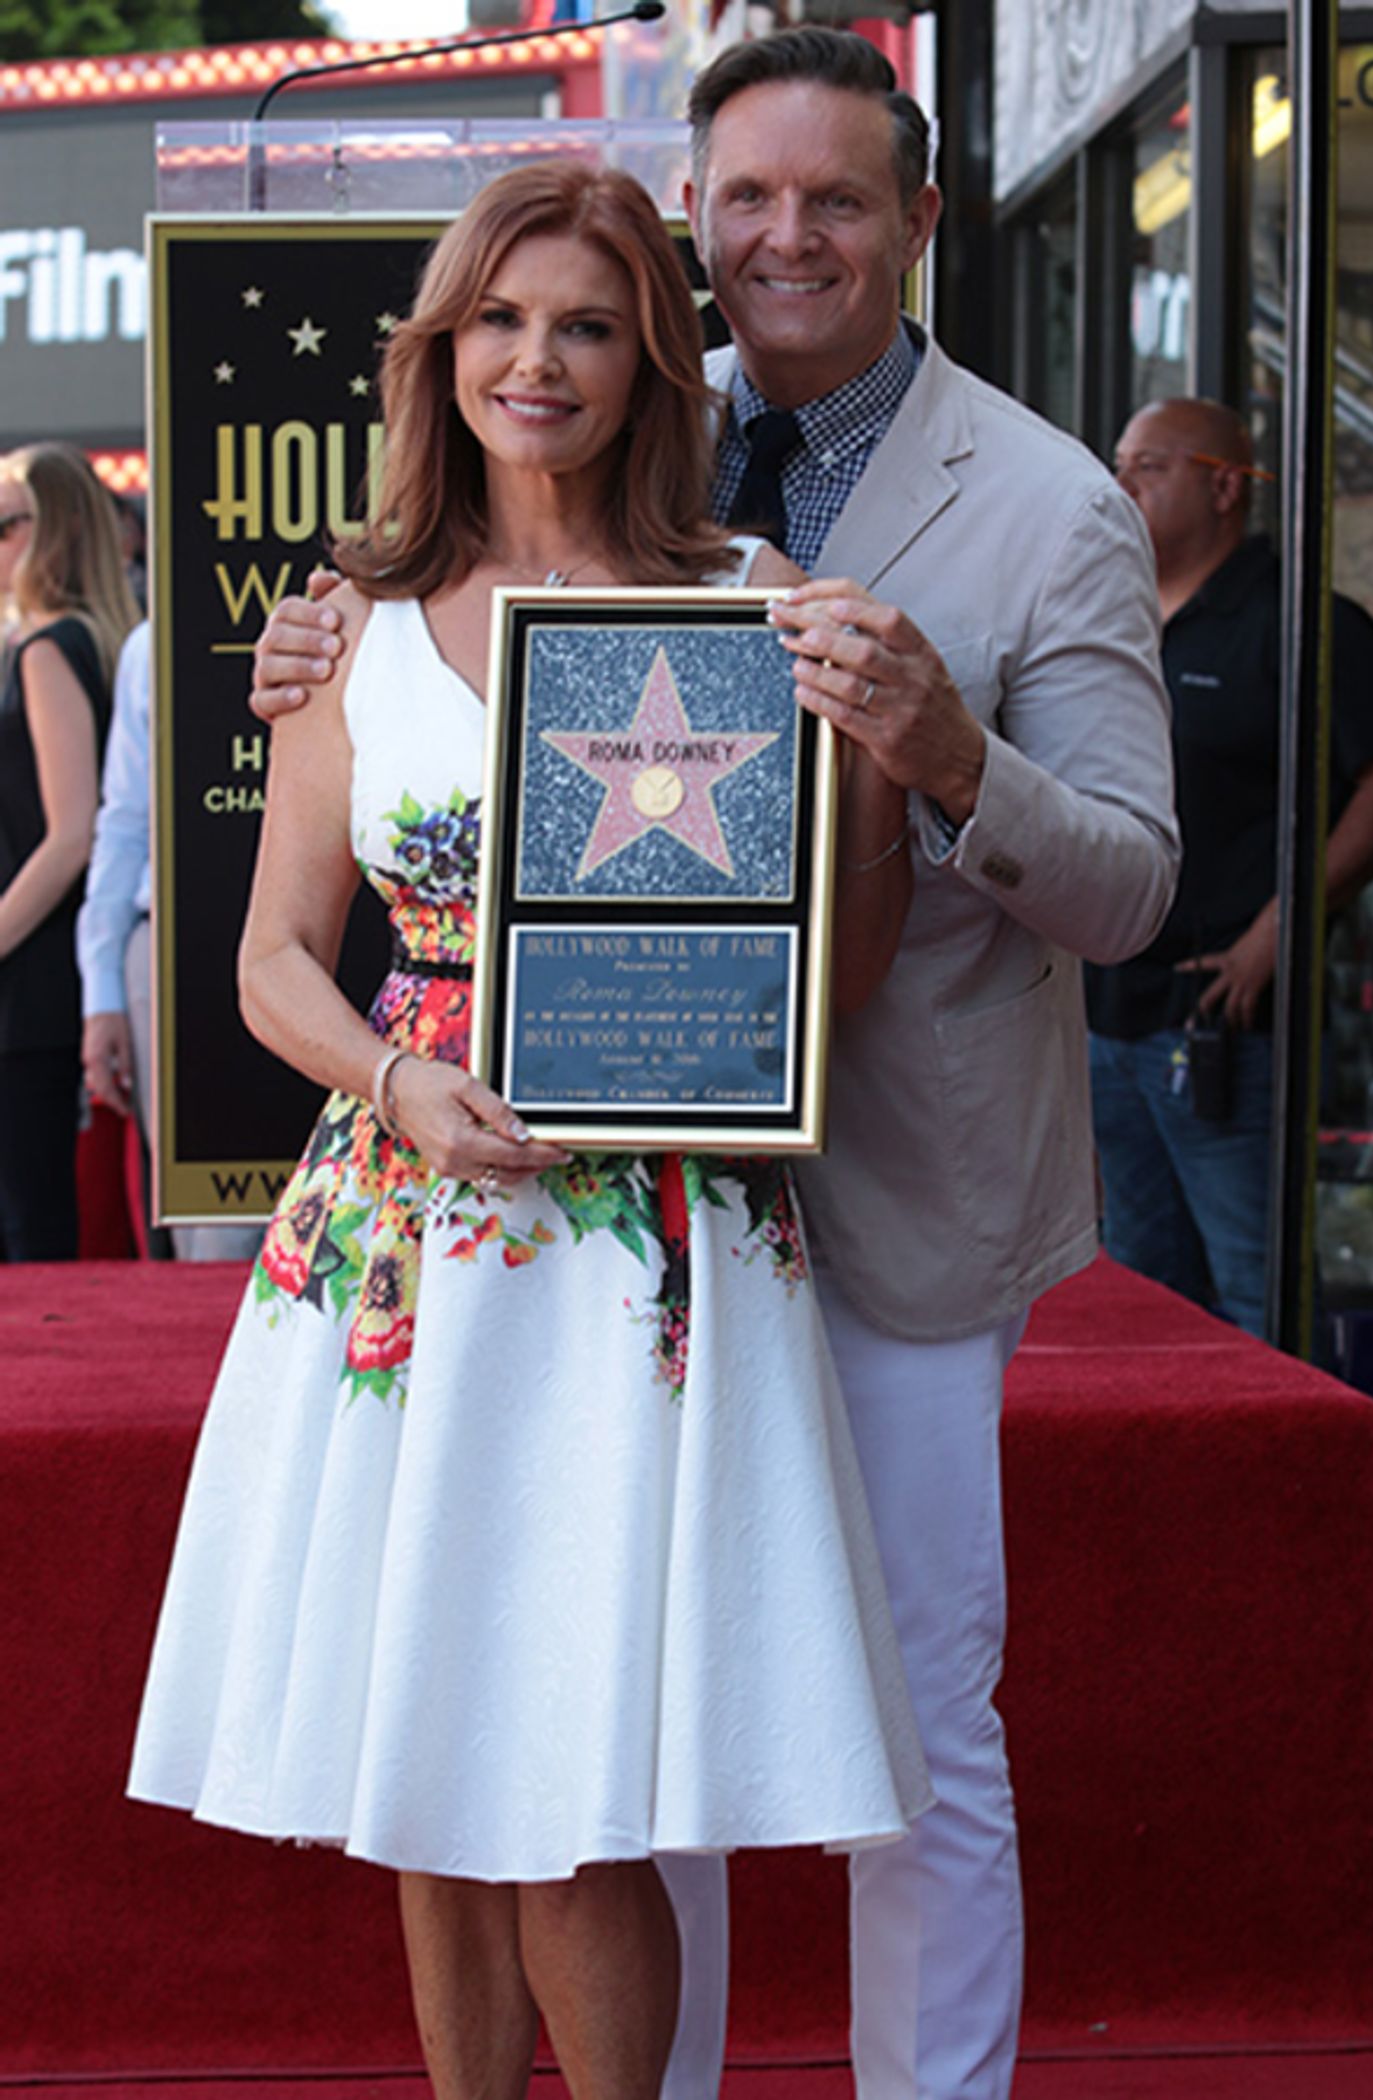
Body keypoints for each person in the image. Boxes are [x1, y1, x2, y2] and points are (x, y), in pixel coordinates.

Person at [248, 30, 1181, 2100]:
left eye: (835, 198)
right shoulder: (592, 487)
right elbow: (322, 883)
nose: (786, 236)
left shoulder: (1040, 503)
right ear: (695, 230)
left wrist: (937, 751)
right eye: (745, 200)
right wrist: (334, 663)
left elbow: (1129, 891)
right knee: (612, 1724)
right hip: (572, 1235)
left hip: (890, 1200)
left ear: (920, 220)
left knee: (910, 1744)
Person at [128, 161, 936, 2100]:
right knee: (431, 1756)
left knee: (579, 1781)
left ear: (652, 357)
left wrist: (889, 782)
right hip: (410, 1234)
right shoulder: (355, 624)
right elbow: (263, 970)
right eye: (499, 321)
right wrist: (399, 1080)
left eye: (583, 322)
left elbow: (833, 973)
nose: (537, 360)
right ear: (440, 355)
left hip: (652, 1245)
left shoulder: (754, 611)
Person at [1091, 396, 1373, 1338]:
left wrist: (1283, 929)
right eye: (1118, 462)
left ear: (1227, 486)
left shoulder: (1303, 621)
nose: (1121, 484)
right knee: (1140, 1299)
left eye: (1149, 466)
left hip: (1230, 1022)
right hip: (1107, 1016)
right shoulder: (1110, 614)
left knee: (1254, 1293)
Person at [77, 620, 263, 1262]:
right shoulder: (154, 643)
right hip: (182, 952)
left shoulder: (385, 618)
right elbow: (126, 823)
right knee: (218, 1240)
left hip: (359, 954)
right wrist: (101, 989)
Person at [0, 441, 138, 1260]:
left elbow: (71, 832)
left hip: (31, 979)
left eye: (8, 523)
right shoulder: (52, 641)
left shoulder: (50, 648)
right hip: (38, 971)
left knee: (27, 1226)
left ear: (54, 529)